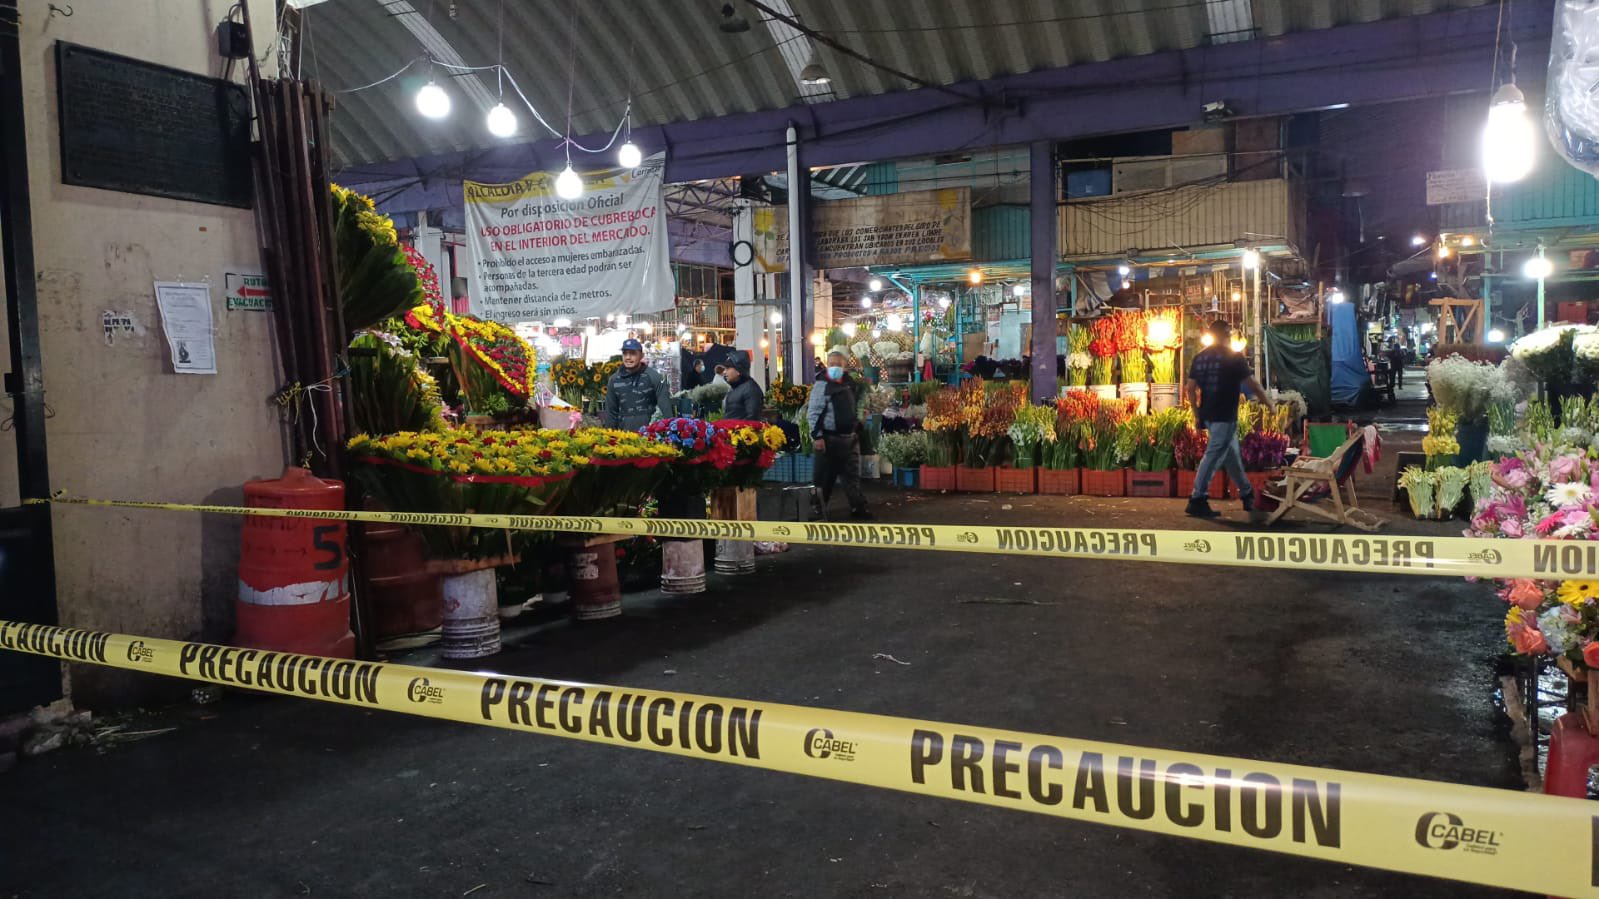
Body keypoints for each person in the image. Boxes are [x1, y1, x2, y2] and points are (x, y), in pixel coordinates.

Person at [1184, 320, 1274, 523]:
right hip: (1225, 415)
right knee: (1213, 455)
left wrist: (1196, 414)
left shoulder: (1200, 358)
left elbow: (1190, 388)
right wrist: (1269, 404)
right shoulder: (1234, 358)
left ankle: (1247, 493)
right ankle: (1197, 498)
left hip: (1208, 414)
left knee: (1232, 455)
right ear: (1227, 335)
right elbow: (1254, 386)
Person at [807, 351, 872, 521]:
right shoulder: (822, 385)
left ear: (845, 367)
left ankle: (858, 507)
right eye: (832, 363)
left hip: (849, 438)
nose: (834, 367)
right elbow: (813, 412)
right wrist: (817, 437)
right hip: (829, 440)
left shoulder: (850, 383)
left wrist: (859, 421)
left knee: (851, 477)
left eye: (838, 364)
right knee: (823, 478)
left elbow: (855, 406)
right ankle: (818, 510)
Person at [603, 338, 672, 432]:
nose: (628, 357)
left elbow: (666, 410)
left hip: (649, 437)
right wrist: (609, 439)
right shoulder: (614, 380)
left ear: (641, 355)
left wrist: (669, 434)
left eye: (632, 353)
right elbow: (611, 413)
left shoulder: (655, 377)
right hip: (623, 438)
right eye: (625, 353)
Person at [721, 354, 763, 420]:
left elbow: (752, 417)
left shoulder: (750, 389)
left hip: (741, 429)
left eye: (727, 368)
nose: (724, 372)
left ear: (738, 371)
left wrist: (736, 428)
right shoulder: (735, 387)